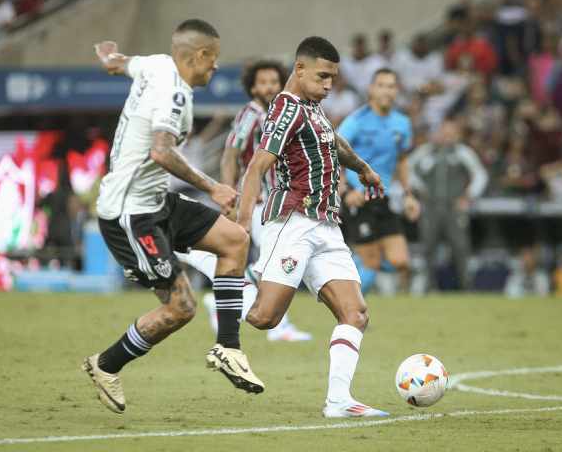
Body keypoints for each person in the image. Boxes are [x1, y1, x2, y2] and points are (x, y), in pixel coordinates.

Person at [82, 19, 263, 416]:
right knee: (180, 308)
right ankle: (106, 365)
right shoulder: (174, 93)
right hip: (130, 216)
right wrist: (213, 186)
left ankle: (229, 347)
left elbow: (118, 63)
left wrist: (107, 54)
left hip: (155, 201)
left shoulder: (156, 63)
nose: (215, 68)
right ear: (198, 56)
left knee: (234, 240)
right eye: (213, 60)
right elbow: (161, 152)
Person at [238, 36, 389, 418]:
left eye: (333, 79)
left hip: (327, 224)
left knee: (355, 313)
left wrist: (364, 169)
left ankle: (339, 400)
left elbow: (332, 141)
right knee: (264, 318)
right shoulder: (285, 108)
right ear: (299, 68)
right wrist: (240, 228)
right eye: (322, 76)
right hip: (293, 222)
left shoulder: (313, 107)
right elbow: (257, 167)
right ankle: (225, 288)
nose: (328, 86)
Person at [176, 59, 312, 342]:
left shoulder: (281, 113)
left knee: (273, 260)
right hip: (260, 200)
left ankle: (221, 291)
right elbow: (230, 154)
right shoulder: (250, 114)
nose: (269, 87)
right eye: (262, 83)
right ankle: (278, 326)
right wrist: (229, 193)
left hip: (278, 199)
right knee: (277, 259)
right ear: (252, 87)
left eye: (274, 82)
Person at [338, 68, 420, 294]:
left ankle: (345, 271)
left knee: (400, 261)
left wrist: (408, 195)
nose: (387, 90)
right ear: (371, 90)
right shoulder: (355, 122)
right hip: (358, 197)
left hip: (383, 197)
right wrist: (345, 192)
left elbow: (402, 160)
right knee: (371, 264)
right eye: (382, 85)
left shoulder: (402, 123)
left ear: (397, 91)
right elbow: (333, 155)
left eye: (391, 86)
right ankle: (350, 311)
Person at [409, 118, 488, 291]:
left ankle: (465, 287)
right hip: (430, 207)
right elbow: (407, 169)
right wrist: (419, 189)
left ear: (457, 134)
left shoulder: (463, 152)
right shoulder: (426, 151)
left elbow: (480, 175)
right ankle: (430, 288)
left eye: (450, 133)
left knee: (460, 248)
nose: (446, 136)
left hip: (454, 207)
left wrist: (469, 196)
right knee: (428, 248)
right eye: (444, 132)